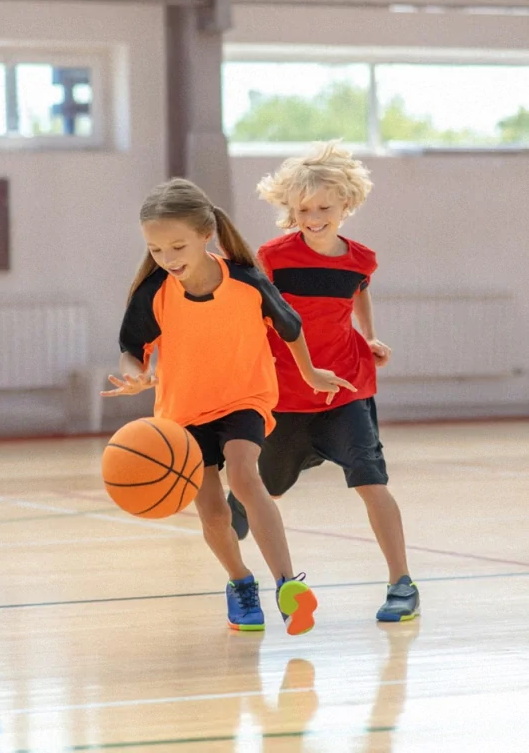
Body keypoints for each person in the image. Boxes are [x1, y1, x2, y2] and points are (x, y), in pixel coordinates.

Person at [101, 177, 356, 635]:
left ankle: (286, 584)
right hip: (183, 414)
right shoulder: (155, 291)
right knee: (214, 513)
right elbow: (132, 347)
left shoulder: (246, 281)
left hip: (244, 398)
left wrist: (311, 373)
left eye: (177, 246)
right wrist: (136, 372)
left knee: (244, 474)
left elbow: (290, 327)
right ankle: (240, 582)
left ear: (206, 235)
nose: (168, 258)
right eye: (157, 250)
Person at [227, 142, 420, 623]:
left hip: (346, 390)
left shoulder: (360, 260)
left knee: (372, 482)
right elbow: (251, 316)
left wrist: (371, 337)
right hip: (285, 397)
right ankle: (240, 581)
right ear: (291, 211)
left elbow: (359, 295)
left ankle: (402, 584)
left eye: (324, 208)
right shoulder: (272, 258)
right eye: (303, 209)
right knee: (254, 499)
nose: (313, 217)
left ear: (346, 206)